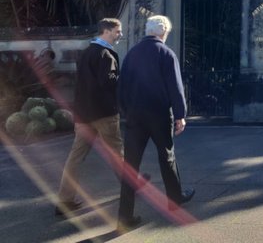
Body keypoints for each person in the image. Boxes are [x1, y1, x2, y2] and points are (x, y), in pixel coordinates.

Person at [117, 15, 194, 231]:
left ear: (148, 31)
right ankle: (174, 199)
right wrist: (180, 115)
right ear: (164, 33)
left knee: (130, 165)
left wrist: (125, 110)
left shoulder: (131, 54)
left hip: (134, 115)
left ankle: (124, 215)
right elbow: (175, 87)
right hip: (159, 114)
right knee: (166, 156)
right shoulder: (166, 53)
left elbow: (121, 86)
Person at [56, 19, 126, 216]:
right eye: (117, 31)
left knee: (75, 157)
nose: (120, 34)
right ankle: (129, 188)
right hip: (104, 113)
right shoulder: (105, 54)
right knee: (116, 152)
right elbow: (108, 82)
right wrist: (125, 77)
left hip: (84, 114)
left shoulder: (86, 52)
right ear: (106, 31)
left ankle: (65, 199)